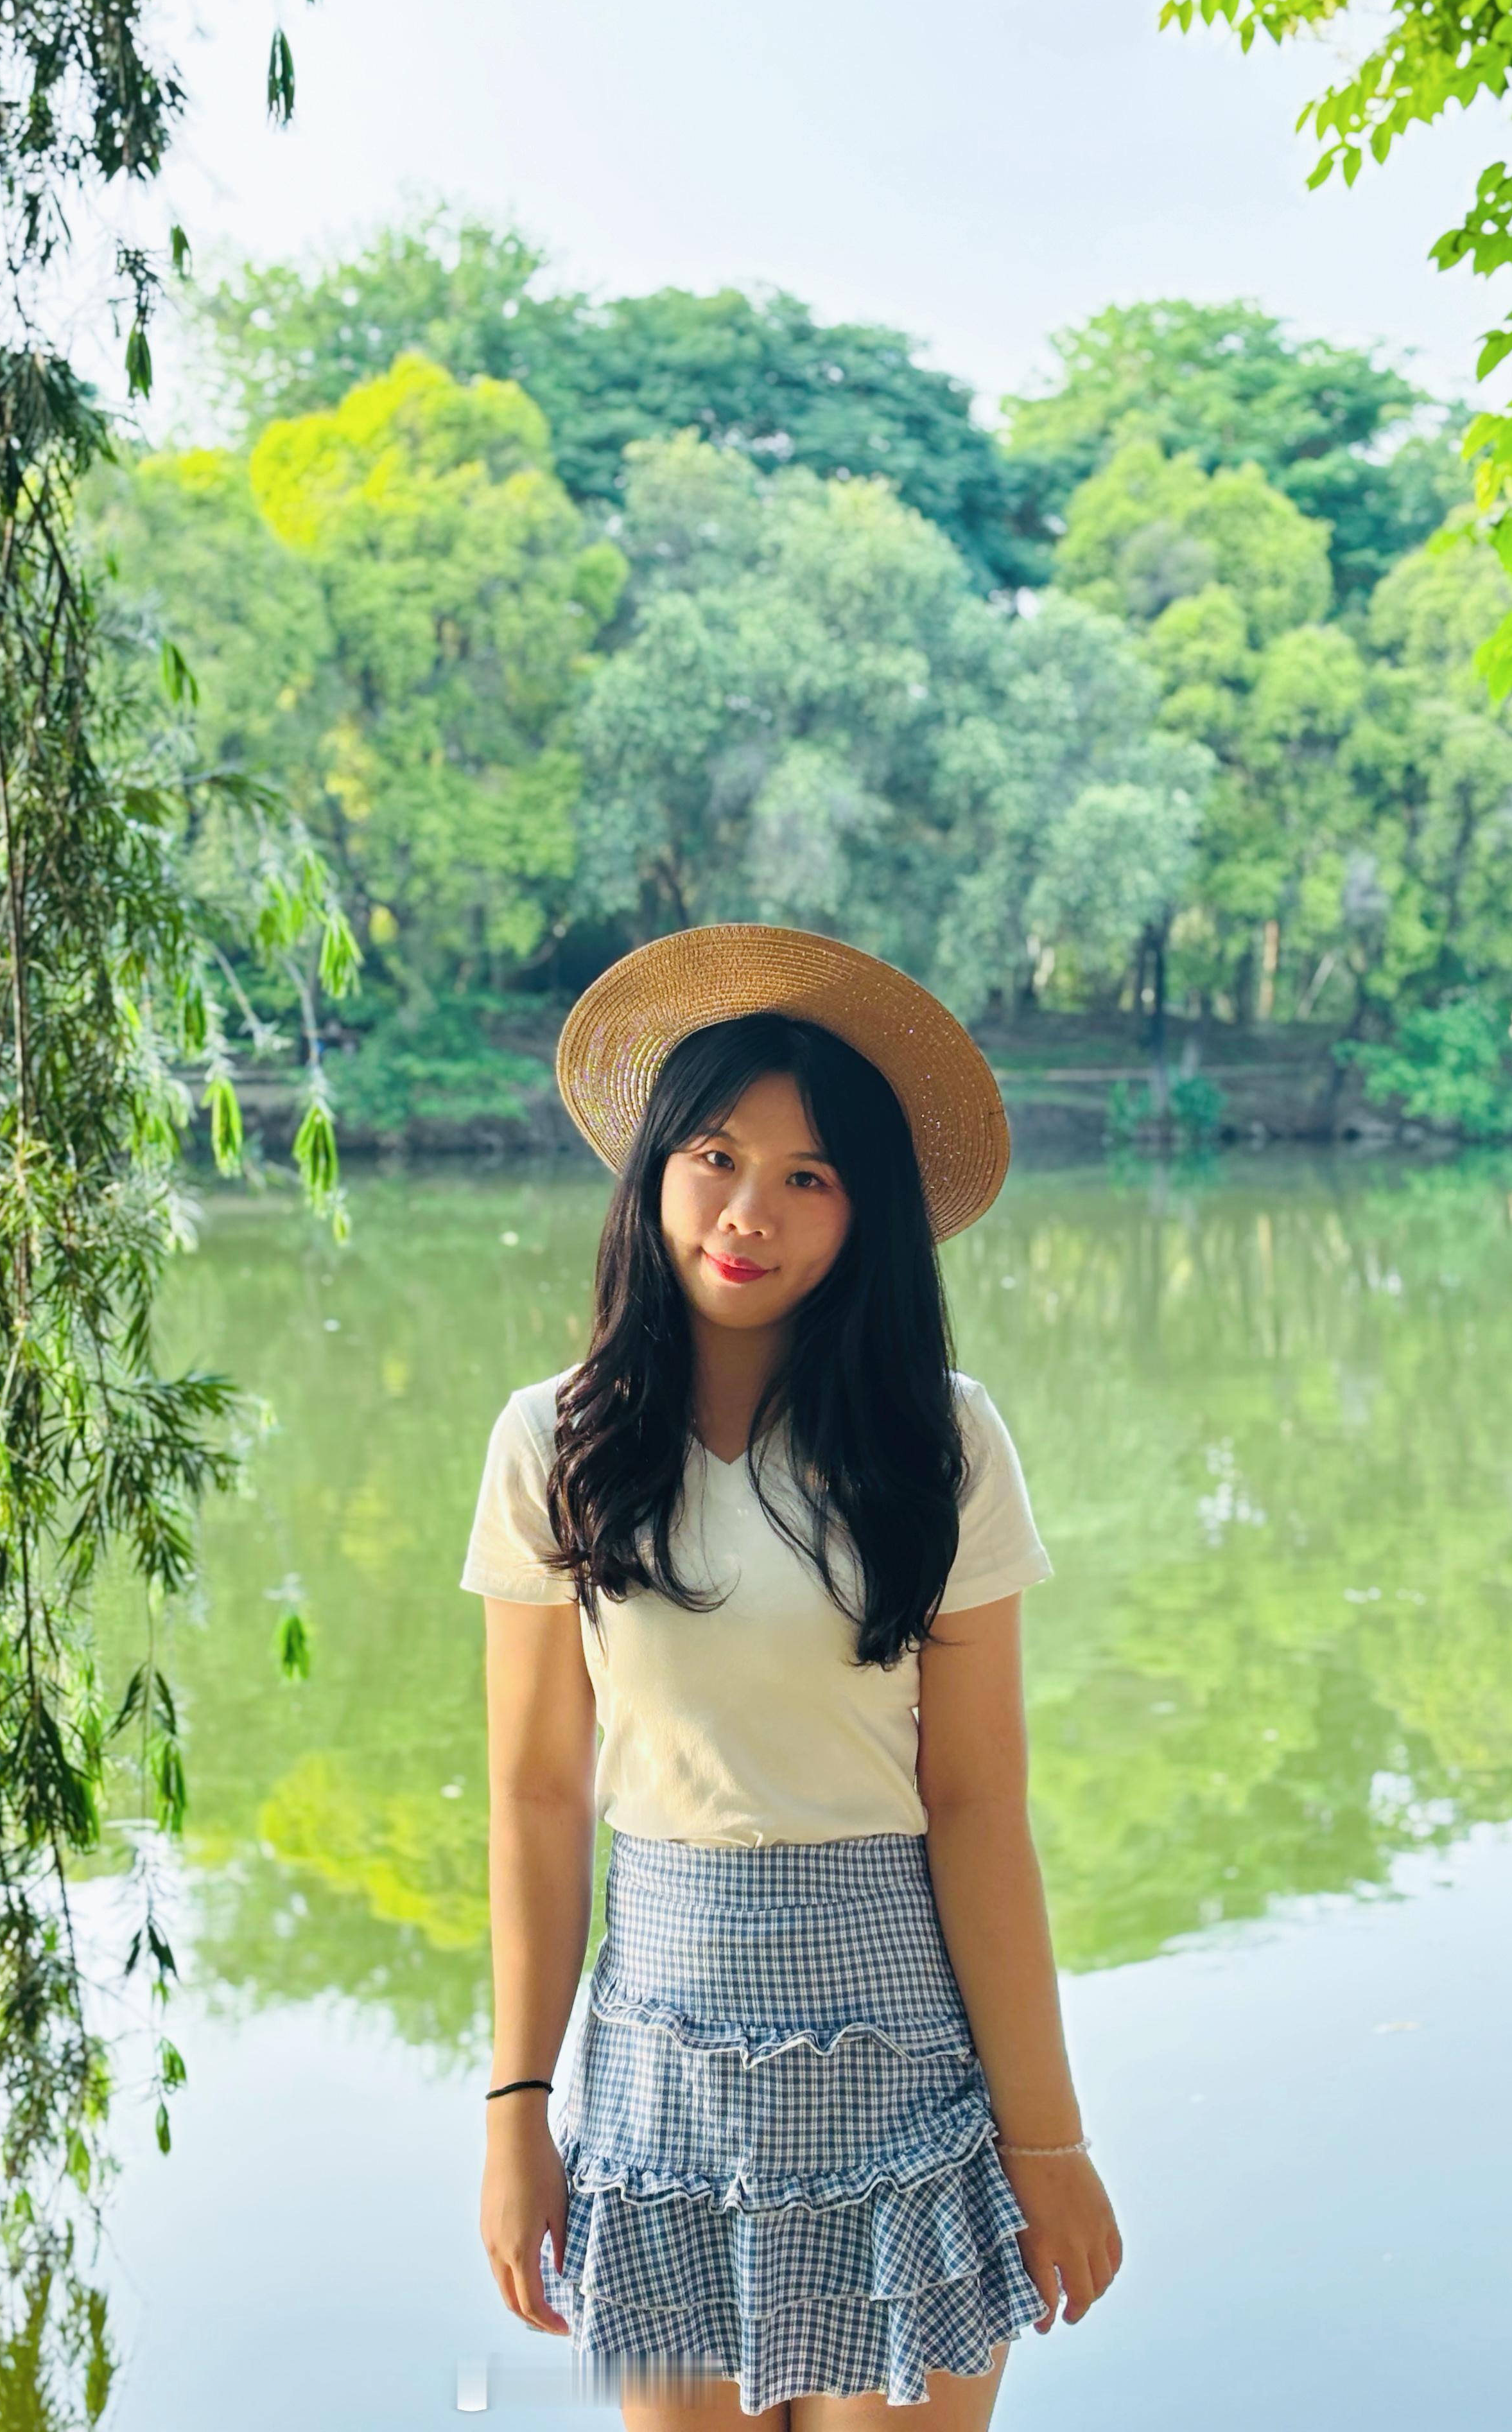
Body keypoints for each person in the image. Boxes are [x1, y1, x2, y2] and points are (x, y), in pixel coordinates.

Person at [460, 923, 1122, 2428]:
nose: (750, 1213)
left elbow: (980, 1808)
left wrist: (1051, 2141)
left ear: (864, 1213)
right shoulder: (551, 1444)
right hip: (657, 2084)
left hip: (905, 2073)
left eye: (809, 1177)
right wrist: (515, 2114)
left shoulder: (942, 1443)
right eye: (717, 1158)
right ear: (656, 1171)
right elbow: (539, 1797)